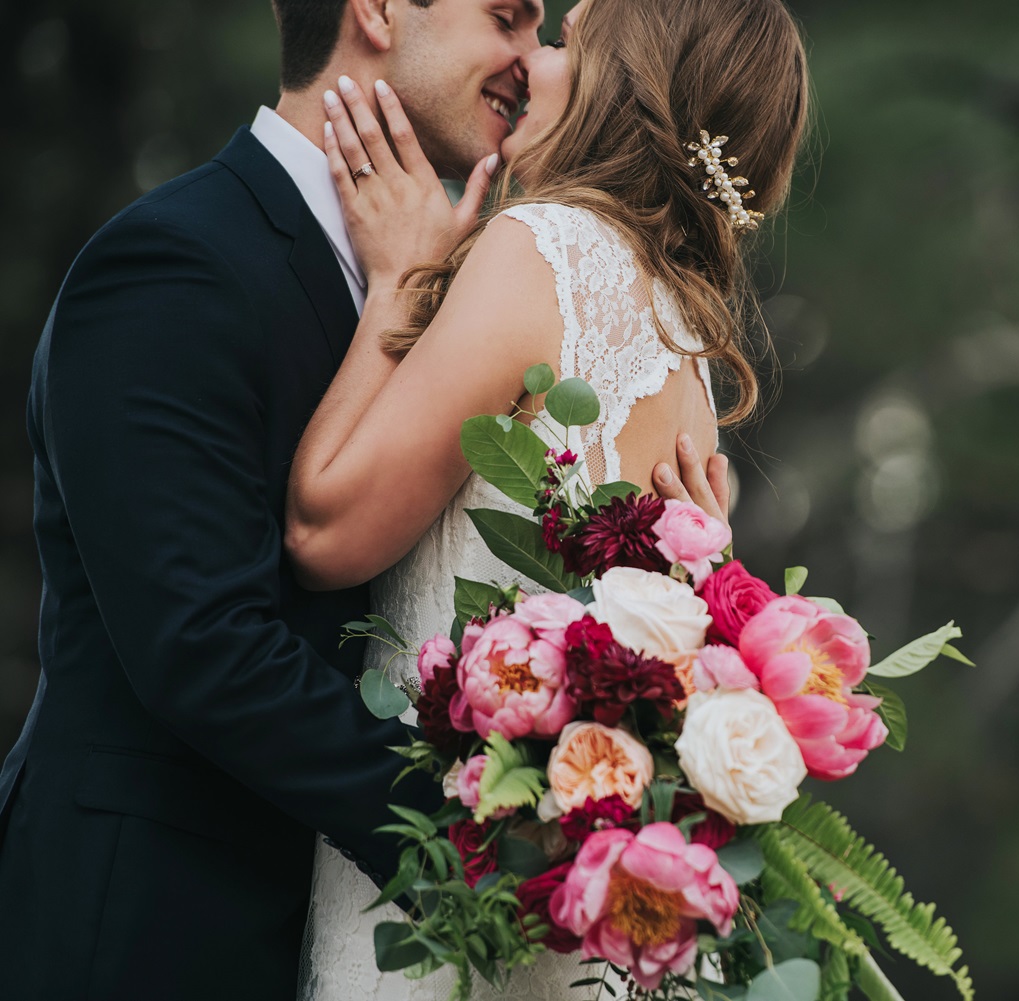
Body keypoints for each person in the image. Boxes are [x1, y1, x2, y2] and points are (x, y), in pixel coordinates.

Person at [0, 0, 723, 998]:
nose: (528, 58)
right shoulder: (171, 263)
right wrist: (483, 847)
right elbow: (203, 641)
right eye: (509, 17)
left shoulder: (488, 286)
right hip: (157, 929)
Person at [285, 0, 809, 995]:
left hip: (447, 911)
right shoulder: (686, 348)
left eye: (568, 40)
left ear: (625, 86)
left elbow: (324, 529)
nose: (534, 61)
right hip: (581, 935)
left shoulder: (546, 251)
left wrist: (400, 278)